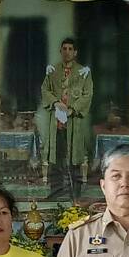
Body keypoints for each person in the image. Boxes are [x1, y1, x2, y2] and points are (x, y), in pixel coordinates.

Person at [36, 37, 93, 189]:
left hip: (73, 119)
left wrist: (72, 109)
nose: (67, 52)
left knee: (74, 151)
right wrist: (55, 102)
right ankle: (56, 187)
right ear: (60, 51)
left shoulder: (83, 73)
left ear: (75, 52)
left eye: (70, 49)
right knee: (57, 151)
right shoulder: (52, 71)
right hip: (56, 120)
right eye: (64, 49)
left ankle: (74, 188)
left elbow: (88, 94)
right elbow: (45, 89)